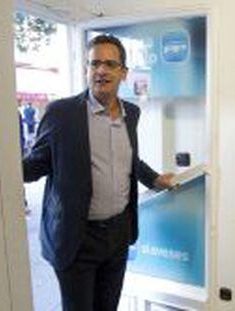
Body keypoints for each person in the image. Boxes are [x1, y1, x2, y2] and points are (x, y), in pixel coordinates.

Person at [22, 35, 176, 311]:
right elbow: (35, 164)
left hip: (117, 235)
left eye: (109, 64)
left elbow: (128, 158)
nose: (101, 70)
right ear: (86, 70)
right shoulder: (62, 113)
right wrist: (2, 164)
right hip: (77, 238)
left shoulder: (132, 112)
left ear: (123, 72)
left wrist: (154, 178)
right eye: (94, 64)